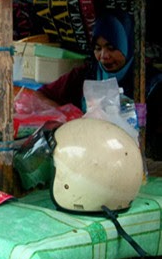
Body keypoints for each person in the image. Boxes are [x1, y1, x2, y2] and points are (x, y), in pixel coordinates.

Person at [35, 9, 162, 155]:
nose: (103, 56)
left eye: (112, 48)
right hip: (87, 156)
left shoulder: (152, 82)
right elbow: (40, 96)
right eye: (98, 48)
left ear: (129, 44)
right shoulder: (84, 75)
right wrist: (66, 115)